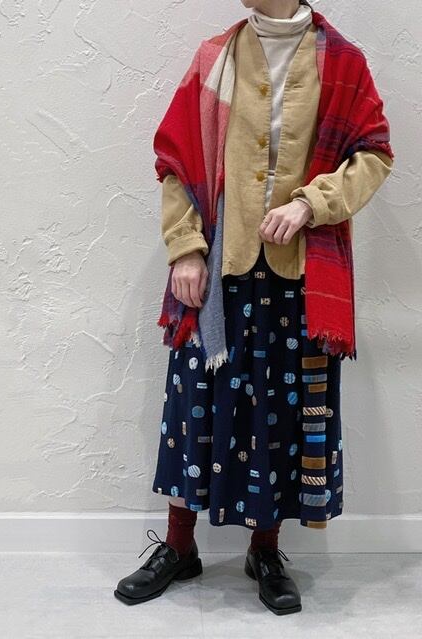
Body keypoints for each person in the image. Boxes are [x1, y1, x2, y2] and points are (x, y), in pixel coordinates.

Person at [114, 0, 394, 615]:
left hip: (299, 275)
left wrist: (310, 203)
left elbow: (373, 155)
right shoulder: (216, 57)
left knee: (279, 411)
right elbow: (176, 162)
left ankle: (264, 550)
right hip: (219, 269)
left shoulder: (342, 63)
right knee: (193, 401)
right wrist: (185, 248)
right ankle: (179, 546)